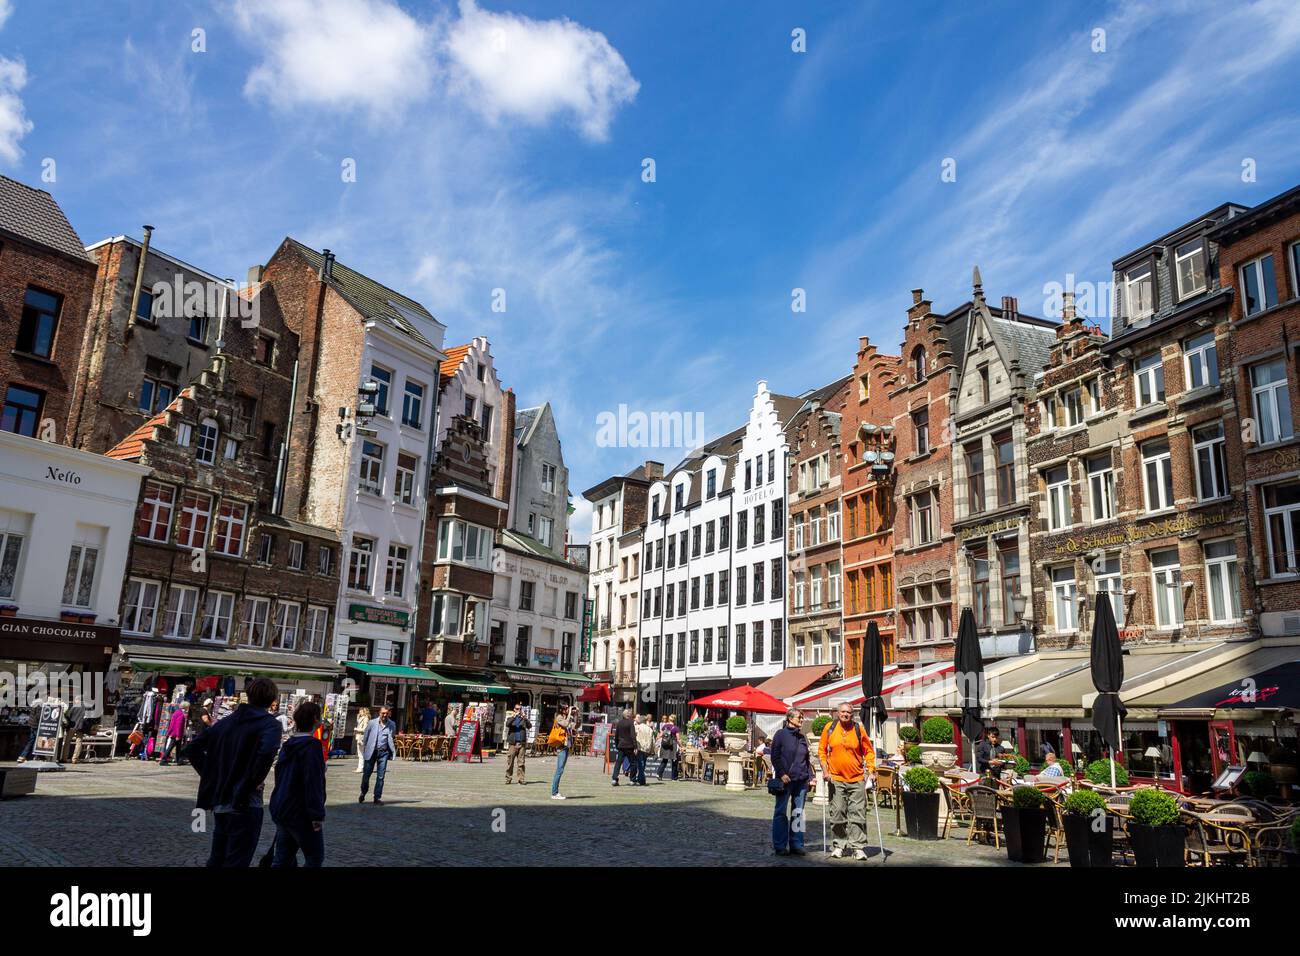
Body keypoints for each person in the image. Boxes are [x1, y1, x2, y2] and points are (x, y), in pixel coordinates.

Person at [185, 677, 282, 867]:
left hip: (221, 800)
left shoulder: (225, 723)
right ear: (271, 699)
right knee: (237, 860)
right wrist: (250, 783)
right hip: (246, 802)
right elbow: (266, 754)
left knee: (218, 857)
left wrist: (212, 776)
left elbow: (192, 748)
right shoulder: (270, 724)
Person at [269, 700, 327, 867]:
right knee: (314, 858)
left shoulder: (288, 745)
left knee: (282, 858)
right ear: (315, 719)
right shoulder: (312, 746)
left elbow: (279, 775)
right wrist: (316, 815)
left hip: (282, 807)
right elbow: (313, 782)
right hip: (301, 812)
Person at [818, 701, 877, 860]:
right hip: (836, 779)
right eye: (843, 712)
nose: (846, 715)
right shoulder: (829, 728)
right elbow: (822, 751)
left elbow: (869, 752)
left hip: (857, 779)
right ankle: (839, 845)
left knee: (858, 813)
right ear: (838, 713)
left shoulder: (859, 729)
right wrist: (825, 770)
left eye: (849, 713)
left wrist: (871, 770)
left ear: (853, 714)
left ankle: (858, 847)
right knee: (837, 813)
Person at [771, 709, 814, 856]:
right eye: (799, 718)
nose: (802, 720)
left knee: (798, 813)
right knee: (780, 813)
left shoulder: (802, 737)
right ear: (789, 719)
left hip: (801, 781)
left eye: (802, 718)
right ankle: (780, 845)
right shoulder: (780, 735)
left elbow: (806, 760)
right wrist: (782, 773)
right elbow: (775, 756)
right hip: (786, 780)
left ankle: (797, 844)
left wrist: (810, 776)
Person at [358, 705, 397, 805]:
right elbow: (366, 736)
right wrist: (367, 747)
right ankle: (363, 792)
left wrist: (391, 752)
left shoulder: (392, 724)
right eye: (383, 713)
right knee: (366, 775)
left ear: (389, 713)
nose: (384, 715)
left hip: (383, 753)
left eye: (386, 713)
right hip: (371, 751)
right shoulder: (372, 723)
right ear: (379, 713)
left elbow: (392, 737)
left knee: (381, 776)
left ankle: (377, 797)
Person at [550, 704, 577, 799]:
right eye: (566, 708)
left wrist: (577, 715)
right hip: (561, 746)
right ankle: (554, 793)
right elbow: (565, 724)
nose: (567, 709)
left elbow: (575, 726)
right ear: (561, 709)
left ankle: (555, 792)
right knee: (559, 770)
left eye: (568, 708)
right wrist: (570, 713)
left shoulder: (567, 717)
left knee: (560, 770)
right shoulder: (559, 717)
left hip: (566, 746)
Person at [504, 703, 531, 785]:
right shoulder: (510, 718)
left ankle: (521, 779)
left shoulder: (523, 719)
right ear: (514, 709)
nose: (518, 710)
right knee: (510, 762)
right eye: (517, 709)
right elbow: (507, 724)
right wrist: (514, 716)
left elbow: (529, 726)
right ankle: (508, 778)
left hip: (521, 743)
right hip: (513, 743)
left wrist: (525, 718)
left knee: (521, 762)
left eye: (520, 709)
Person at [611, 708, 638, 787]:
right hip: (629, 746)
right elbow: (633, 735)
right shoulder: (630, 723)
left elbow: (616, 736)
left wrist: (617, 745)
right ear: (628, 715)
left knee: (618, 763)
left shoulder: (619, 723)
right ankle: (632, 779)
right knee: (633, 763)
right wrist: (635, 746)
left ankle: (614, 779)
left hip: (621, 746)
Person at [159, 701, 190, 766]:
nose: (188, 708)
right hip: (176, 734)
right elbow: (179, 725)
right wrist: (178, 735)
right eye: (188, 707)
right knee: (170, 747)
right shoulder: (181, 714)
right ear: (185, 706)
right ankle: (163, 760)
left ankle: (179, 760)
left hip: (174, 733)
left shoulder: (177, 712)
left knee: (178, 747)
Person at [657, 716, 679, 780]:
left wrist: (657, 739)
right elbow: (678, 739)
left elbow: (661, 735)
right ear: (675, 720)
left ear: (669, 719)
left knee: (664, 760)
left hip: (665, 745)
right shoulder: (676, 728)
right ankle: (674, 777)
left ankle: (659, 774)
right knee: (674, 760)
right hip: (673, 745)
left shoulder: (665, 726)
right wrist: (681, 746)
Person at [634, 714, 654, 786]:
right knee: (643, 763)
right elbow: (652, 740)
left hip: (639, 747)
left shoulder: (637, 727)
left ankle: (641, 779)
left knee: (640, 763)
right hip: (647, 748)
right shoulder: (649, 729)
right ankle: (640, 778)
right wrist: (652, 750)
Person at [353, 707, 370, 773]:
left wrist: (356, 729)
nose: (360, 712)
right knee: (360, 753)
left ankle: (361, 768)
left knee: (361, 753)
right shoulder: (361, 718)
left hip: (361, 737)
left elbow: (365, 729)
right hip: (359, 737)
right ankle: (361, 767)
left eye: (361, 711)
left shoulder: (365, 719)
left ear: (364, 712)